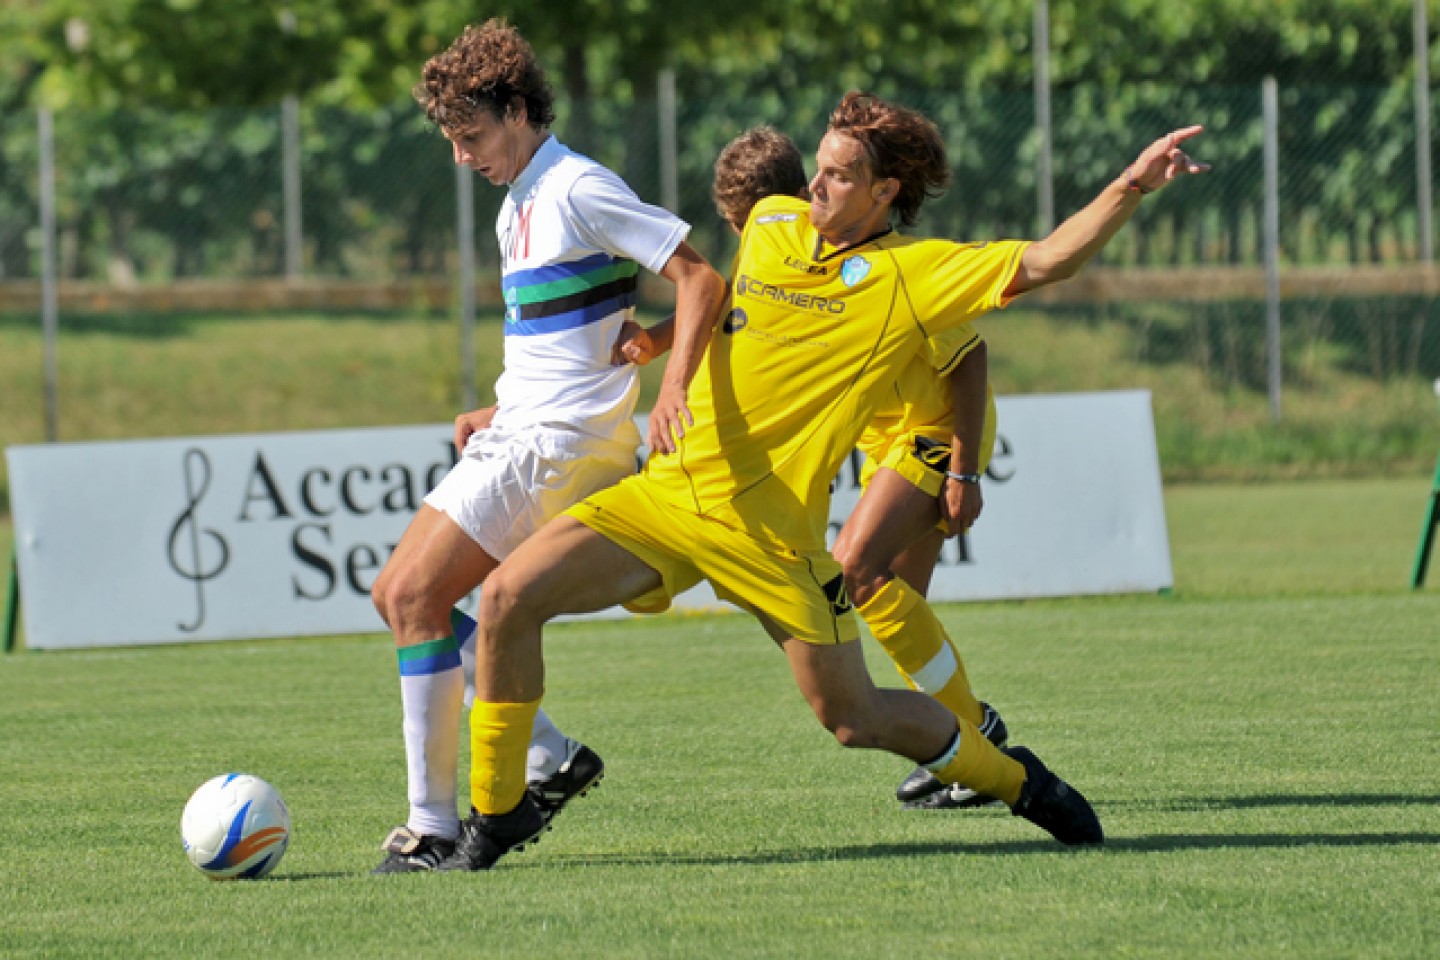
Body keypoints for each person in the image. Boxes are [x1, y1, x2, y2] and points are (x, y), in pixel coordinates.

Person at [440, 91, 1206, 871]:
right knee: (506, 598)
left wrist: (1131, 186)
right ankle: (496, 815)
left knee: (854, 716)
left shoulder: (909, 277)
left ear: (886, 195)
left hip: (772, 538)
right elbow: (731, 300)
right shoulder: (774, 221)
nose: (816, 186)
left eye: (840, 177)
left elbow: (1048, 260)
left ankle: (1016, 779)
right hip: (668, 498)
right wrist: (661, 346)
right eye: (820, 167)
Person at [367, 19, 725, 874]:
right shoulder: (516, 204)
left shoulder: (577, 187)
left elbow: (703, 278)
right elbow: (560, 337)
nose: (462, 155)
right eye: (453, 139)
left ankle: (434, 828)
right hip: (526, 431)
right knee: (398, 597)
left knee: (417, 593)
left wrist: (670, 381)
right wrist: (496, 409)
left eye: (472, 135)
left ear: (520, 110)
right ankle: (548, 757)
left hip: (559, 446)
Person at [629, 126, 1008, 810]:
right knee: (889, 599)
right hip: (882, 441)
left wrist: (963, 470)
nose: (754, 242)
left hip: (935, 434)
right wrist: (652, 345)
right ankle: (966, 737)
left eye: (748, 225)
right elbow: (726, 309)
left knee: (856, 569)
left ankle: (974, 735)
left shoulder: (882, 267)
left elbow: (969, 355)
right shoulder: (788, 249)